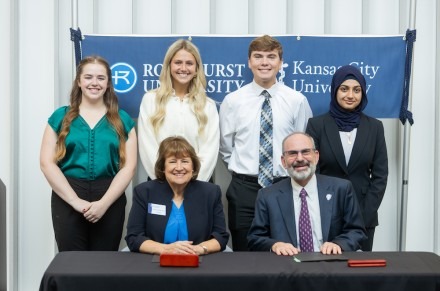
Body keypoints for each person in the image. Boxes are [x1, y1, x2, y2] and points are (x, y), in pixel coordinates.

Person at [219, 35, 313, 251]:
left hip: (285, 186)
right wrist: (244, 171)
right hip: (244, 188)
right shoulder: (233, 101)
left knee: (286, 251)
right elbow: (225, 148)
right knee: (244, 252)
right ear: (249, 62)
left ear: (280, 63)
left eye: (271, 57)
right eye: (258, 56)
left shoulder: (296, 100)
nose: (264, 62)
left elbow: (303, 144)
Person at [40, 55, 137, 251]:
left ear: (108, 83)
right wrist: (74, 201)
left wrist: (104, 204)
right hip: (67, 193)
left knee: (104, 264)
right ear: (79, 81)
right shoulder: (60, 116)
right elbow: (46, 163)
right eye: (89, 77)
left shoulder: (123, 119)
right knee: (71, 261)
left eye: (101, 78)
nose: (95, 83)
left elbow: (129, 167)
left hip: (110, 195)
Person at [305, 65, 388, 251]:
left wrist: (363, 215)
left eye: (356, 90)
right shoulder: (316, 125)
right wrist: (322, 211)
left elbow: (380, 176)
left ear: (363, 93)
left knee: (360, 273)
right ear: (335, 90)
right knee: (326, 270)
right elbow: (311, 171)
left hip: (364, 215)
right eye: (344, 89)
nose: (350, 95)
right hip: (324, 214)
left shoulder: (375, 127)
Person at [247, 132, 366, 255]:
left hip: (330, 263)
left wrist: (338, 244)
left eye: (305, 152)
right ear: (283, 161)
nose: (299, 158)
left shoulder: (341, 189)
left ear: (316, 156)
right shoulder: (267, 196)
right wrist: (275, 245)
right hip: (286, 266)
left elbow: (357, 231)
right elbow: (255, 238)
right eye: (292, 153)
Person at [125, 136, 229, 255]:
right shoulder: (144, 192)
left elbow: (221, 236)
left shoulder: (210, 192)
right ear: (163, 167)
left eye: (185, 161)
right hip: (155, 261)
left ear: (193, 167)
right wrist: (164, 249)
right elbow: (134, 237)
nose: (179, 168)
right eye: (172, 162)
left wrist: (200, 249)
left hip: (199, 261)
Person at [138, 39, 219, 182]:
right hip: (160, 183)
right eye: (178, 62)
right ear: (169, 66)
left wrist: (195, 183)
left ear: (196, 69)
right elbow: (148, 146)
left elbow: (210, 150)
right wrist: (164, 179)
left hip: (199, 184)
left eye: (189, 63)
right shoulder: (150, 100)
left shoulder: (208, 105)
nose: (183, 68)